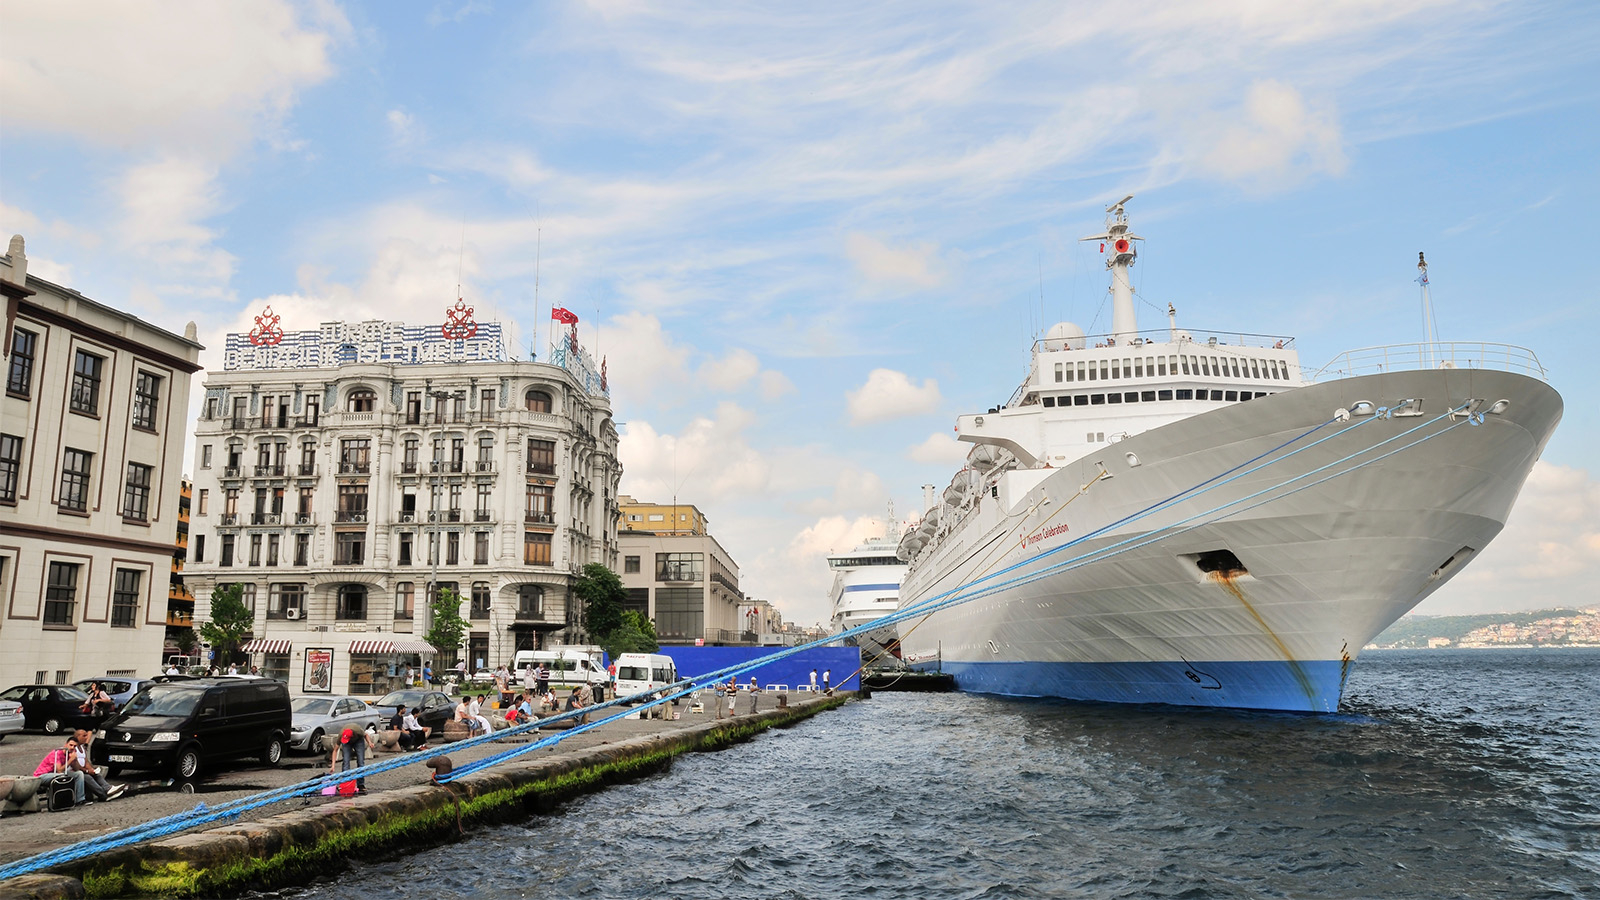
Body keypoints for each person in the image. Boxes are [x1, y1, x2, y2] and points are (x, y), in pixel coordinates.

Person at [34, 737, 87, 806]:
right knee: (62, 776)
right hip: (42, 775)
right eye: (71, 745)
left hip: (55, 774)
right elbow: (59, 770)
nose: (72, 747)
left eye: (74, 746)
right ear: (66, 744)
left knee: (79, 774)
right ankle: (61, 800)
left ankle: (80, 799)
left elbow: (76, 769)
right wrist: (70, 760)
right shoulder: (57, 753)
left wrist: (75, 760)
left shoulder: (69, 754)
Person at [72, 728, 122, 801]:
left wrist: (91, 769)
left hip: (83, 770)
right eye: (84, 736)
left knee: (96, 775)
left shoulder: (82, 748)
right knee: (88, 777)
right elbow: (75, 764)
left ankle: (108, 788)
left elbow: (86, 761)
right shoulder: (73, 748)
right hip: (76, 771)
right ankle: (103, 795)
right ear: (78, 737)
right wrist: (87, 771)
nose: (86, 738)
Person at [330, 727, 374, 793]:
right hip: (347, 742)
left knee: (360, 761)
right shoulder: (341, 735)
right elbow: (335, 750)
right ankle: (346, 784)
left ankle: (360, 784)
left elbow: (366, 735)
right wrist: (333, 765)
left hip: (358, 740)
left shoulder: (358, 730)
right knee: (346, 761)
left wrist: (370, 742)